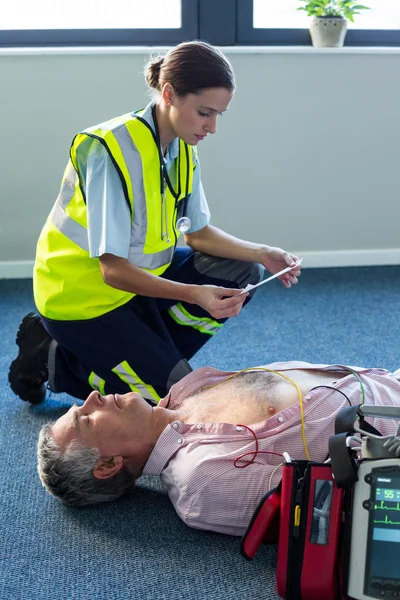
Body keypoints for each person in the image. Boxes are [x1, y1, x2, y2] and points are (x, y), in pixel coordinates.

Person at [8, 40, 301, 406]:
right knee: (176, 401)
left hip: (138, 288)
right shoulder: (108, 150)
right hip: (82, 299)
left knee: (244, 272)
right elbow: (112, 271)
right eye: (204, 113)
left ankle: (143, 354)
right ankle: (55, 360)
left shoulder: (180, 147)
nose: (211, 128)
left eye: (218, 116)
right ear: (169, 94)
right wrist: (194, 294)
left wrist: (263, 252)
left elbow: (197, 234)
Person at [37, 360, 400, 536]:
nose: (92, 396)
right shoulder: (201, 480)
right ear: (107, 465)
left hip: (387, 379)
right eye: (85, 419)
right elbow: (335, 508)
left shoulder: (181, 393)